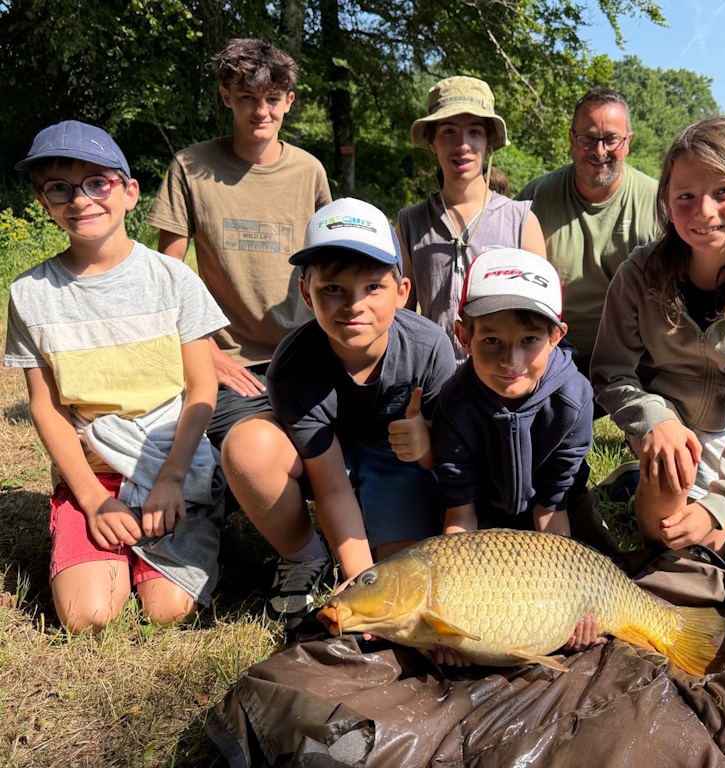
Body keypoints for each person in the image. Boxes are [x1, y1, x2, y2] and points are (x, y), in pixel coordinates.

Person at [5, 121, 229, 633]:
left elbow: (201, 387)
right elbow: (46, 406)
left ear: (129, 192)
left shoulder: (173, 279)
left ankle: (197, 521)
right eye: (59, 188)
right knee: (89, 616)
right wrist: (92, 498)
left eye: (96, 182)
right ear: (44, 202)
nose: (80, 200)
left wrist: (172, 479)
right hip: (95, 468)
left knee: (167, 610)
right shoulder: (29, 294)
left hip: (170, 462)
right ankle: (91, 534)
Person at [220, 198, 457, 623]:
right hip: (327, 463)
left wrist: (426, 449)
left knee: (400, 578)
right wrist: (359, 578)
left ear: (402, 292)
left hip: (401, 463)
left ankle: (372, 533)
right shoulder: (291, 368)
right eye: (333, 289)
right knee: (247, 445)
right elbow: (330, 487)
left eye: (372, 287)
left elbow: (457, 464)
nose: (354, 305)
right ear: (306, 294)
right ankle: (304, 556)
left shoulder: (429, 348)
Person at [590, 117, 725, 553]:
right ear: (667, 201)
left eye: (722, 192)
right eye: (685, 196)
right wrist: (656, 420)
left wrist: (718, 505)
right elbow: (609, 372)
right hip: (659, 417)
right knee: (664, 537)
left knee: (704, 543)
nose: (703, 212)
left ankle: (646, 482)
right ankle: (648, 475)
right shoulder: (637, 275)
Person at [147, 38, 332, 447]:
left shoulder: (310, 172)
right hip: (227, 358)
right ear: (225, 97)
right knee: (251, 449)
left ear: (289, 101)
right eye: (248, 97)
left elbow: (330, 266)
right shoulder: (190, 167)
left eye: (272, 98)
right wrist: (204, 354)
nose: (261, 111)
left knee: (325, 446)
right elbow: (166, 275)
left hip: (306, 350)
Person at [431, 248, 603, 660]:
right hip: (483, 511)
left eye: (530, 340)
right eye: (491, 340)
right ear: (463, 336)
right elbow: (460, 518)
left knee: (600, 580)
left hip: (556, 508)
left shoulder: (574, 398)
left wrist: (565, 606)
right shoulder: (453, 403)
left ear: (557, 335)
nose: (512, 361)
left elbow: (552, 507)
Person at [398, 76, 547, 363]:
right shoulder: (410, 223)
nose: (462, 144)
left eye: (475, 132)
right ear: (432, 141)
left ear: (489, 141)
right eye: (449, 132)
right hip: (433, 380)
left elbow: (539, 313)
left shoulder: (521, 221)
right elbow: (401, 315)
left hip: (501, 379)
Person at [516, 88, 660, 374]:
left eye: (611, 140)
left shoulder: (657, 202)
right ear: (571, 140)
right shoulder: (537, 197)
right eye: (588, 139)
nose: (599, 151)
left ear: (628, 142)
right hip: (551, 354)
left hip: (635, 357)